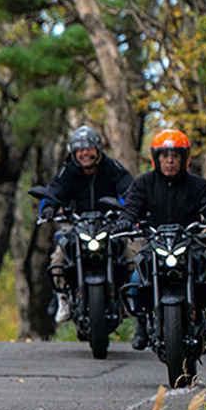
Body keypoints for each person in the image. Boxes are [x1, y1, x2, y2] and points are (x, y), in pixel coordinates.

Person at [116, 129, 206, 350]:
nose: (169, 161)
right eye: (164, 156)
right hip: (156, 242)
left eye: (175, 156)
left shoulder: (198, 185)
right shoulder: (143, 184)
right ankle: (141, 325)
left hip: (189, 242)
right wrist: (125, 221)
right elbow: (131, 207)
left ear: (184, 158)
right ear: (156, 158)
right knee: (135, 278)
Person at [41, 125, 134, 323]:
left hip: (108, 224)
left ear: (98, 149)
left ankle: (129, 298)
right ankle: (63, 300)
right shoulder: (67, 172)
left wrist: (130, 208)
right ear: (73, 152)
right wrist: (49, 207)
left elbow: (128, 187)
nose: (85, 153)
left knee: (131, 257)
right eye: (80, 149)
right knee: (58, 259)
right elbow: (55, 190)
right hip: (76, 225)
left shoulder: (111, 167)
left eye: (90, 148)